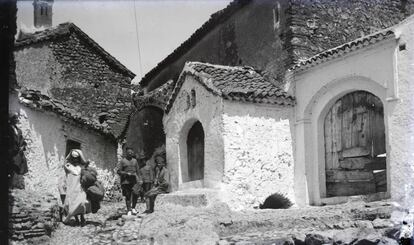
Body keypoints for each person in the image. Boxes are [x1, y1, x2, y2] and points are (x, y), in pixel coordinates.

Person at [62, 149, 91, 226]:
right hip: (71, 189)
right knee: (72, 204)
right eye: (73, 158)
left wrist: (86, 164)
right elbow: (65, 164)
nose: (75, 159)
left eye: (77, 158)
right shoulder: (68, 166)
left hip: (80, 188)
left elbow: (85, 172)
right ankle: (76, 219)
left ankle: (82, 217)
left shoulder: (81, 167)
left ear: (79, 158)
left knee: (81, 203)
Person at [117, 147, 140, 215]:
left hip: (134, 181)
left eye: (131, 152)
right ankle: (129, 210)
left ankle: (133, 208)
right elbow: (119, 171)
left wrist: (140, 179)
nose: (130, 153)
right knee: (128, 196)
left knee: (136, 193)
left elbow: (138, 171)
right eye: (129, 152)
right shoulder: (123, 161)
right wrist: (126, 173)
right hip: (126, 181)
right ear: (126, 153)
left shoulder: (135, 161)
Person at [8, 113, 28, 188]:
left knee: (17, 166)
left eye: (17, 119)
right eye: (15, 118)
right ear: (11, 119)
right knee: (10, 167)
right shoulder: (7, 128)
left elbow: (22, 140)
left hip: (17, 152)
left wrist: (23, 146)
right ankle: (8, 186)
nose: (17, 120)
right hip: (11, 151)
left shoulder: (18, 130)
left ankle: (11, 185)